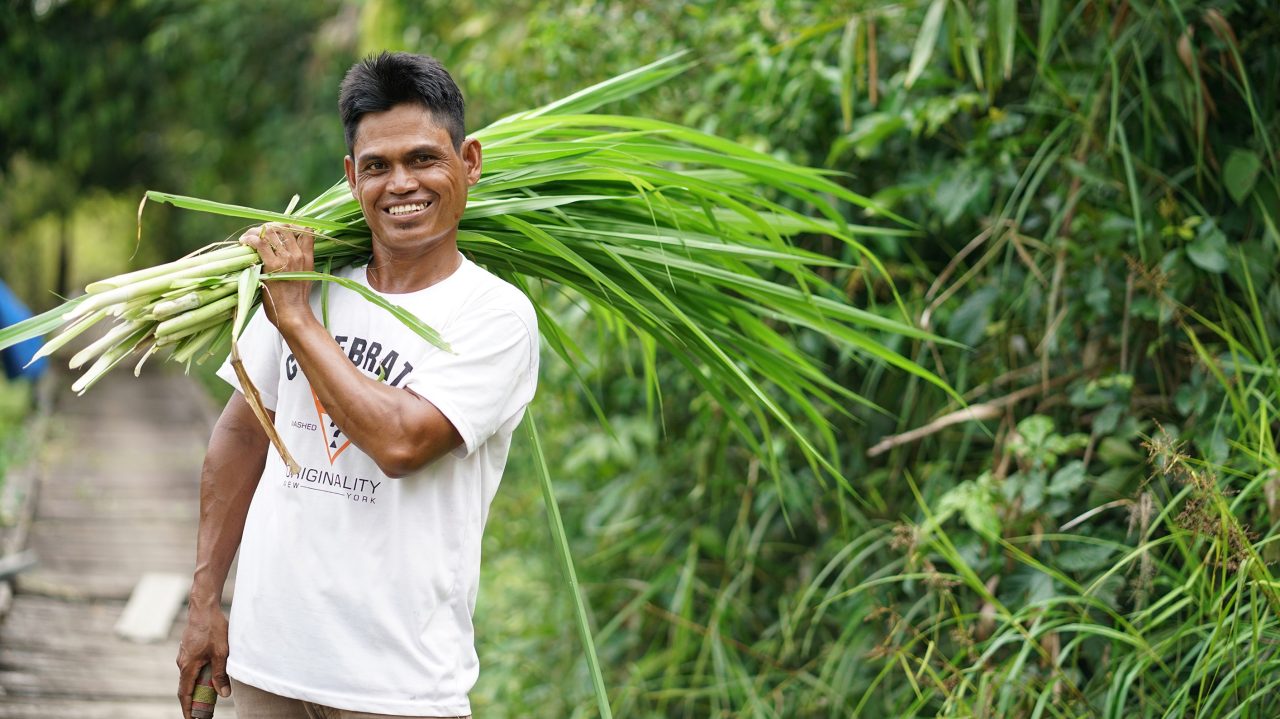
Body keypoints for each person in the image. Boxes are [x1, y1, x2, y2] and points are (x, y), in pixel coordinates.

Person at [176, 52, 539, 719]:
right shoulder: (313, 281)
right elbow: (239, 434)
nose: (401, 183)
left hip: (397, 688)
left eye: (424, 159)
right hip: (266, 667)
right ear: (351, 177)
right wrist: (204, 601)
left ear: (471, 162)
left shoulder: (495, 315)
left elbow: (402, 443)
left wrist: (293, 316)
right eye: (377, 166)